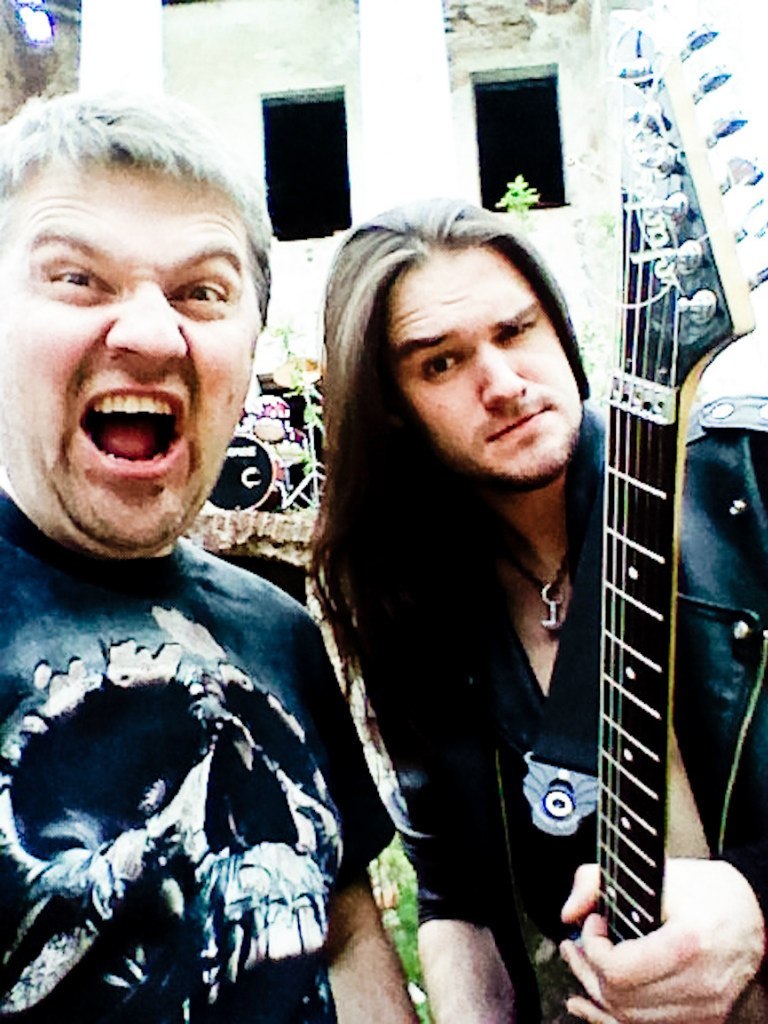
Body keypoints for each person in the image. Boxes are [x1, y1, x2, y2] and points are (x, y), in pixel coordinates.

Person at [0, 92, 418, 1024]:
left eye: (203, 293)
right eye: (77, 278)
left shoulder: (278, 630)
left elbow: (345, 927)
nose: (153, 333)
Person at [312, 198, 768, 1023]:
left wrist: (756, 901)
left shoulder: (745, 484)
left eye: (516, 331)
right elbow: (456, 901)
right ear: (391, 408)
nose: (503, 384)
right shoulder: (408, 605)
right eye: (440, 364)